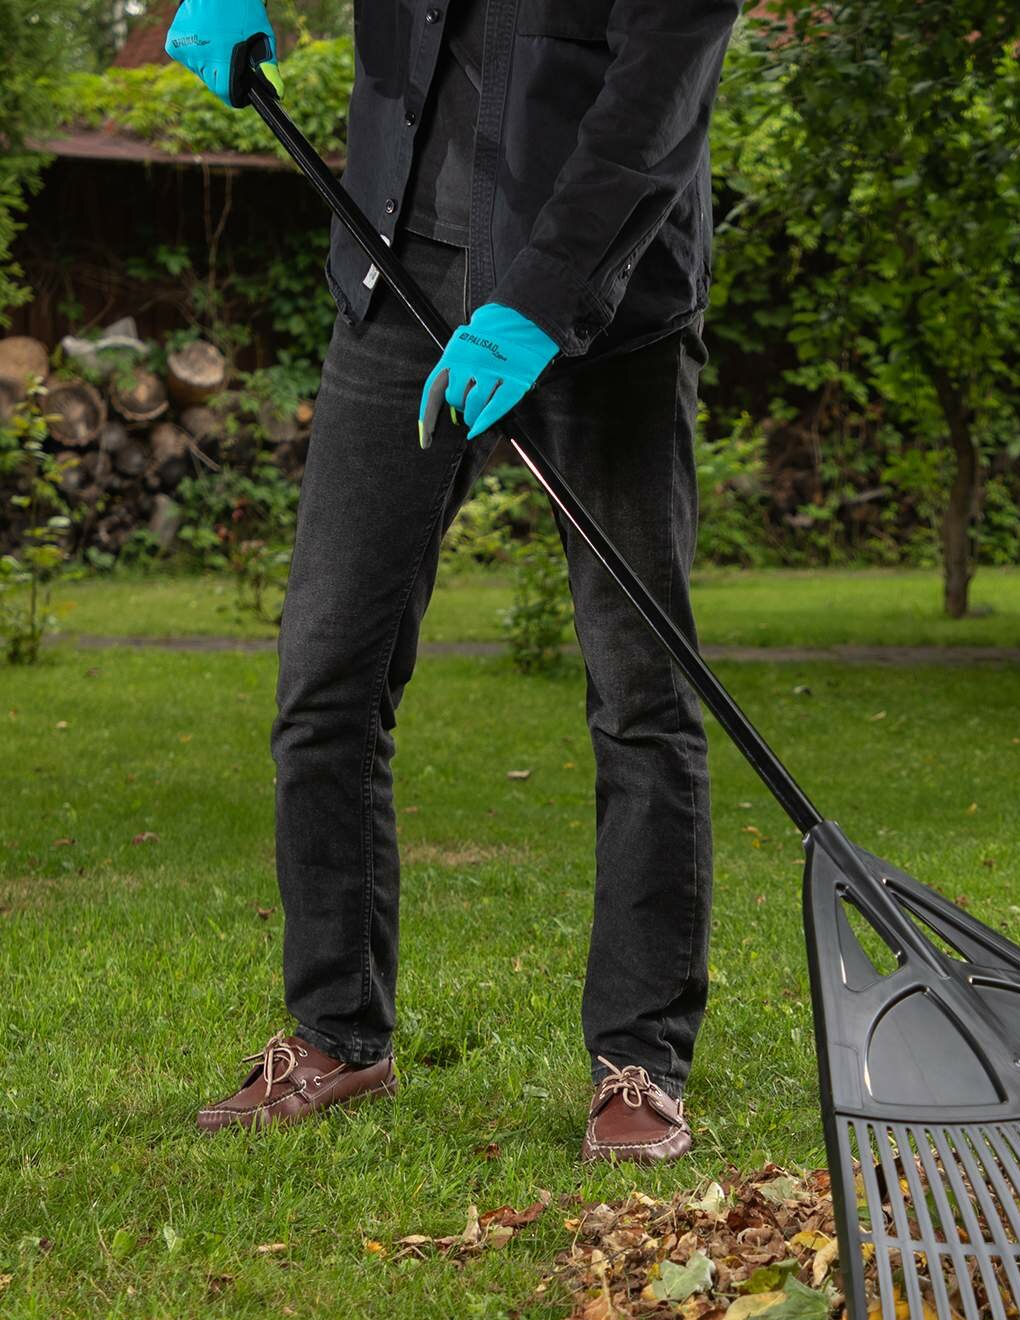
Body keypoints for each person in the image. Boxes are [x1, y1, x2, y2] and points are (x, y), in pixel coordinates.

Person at [166, 0, 739, 1163]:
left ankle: (640, 1061)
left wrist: (536, 302)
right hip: (397, 272)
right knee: (326, 675)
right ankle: (336, 1036)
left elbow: (658, 91)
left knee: (641, 693)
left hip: (601, 298)